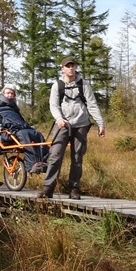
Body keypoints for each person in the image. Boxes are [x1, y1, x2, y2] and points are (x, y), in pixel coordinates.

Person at [34, 56, 106, 200]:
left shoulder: (84, 84)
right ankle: (48, 188)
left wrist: (100, 123)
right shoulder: (57, 85)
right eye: (68, 66)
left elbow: (92, 104)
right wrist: (59, 119)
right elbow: (53, 105)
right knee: (55, 155)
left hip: (81, 124)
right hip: (63, 124)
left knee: (77, 157)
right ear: (63, 69)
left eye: (73, 66)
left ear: (75, 68)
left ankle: (74, 189)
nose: (71, 68)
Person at [0, 84, 48, 173]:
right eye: (8, 93)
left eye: (12, 93)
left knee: (37, 134)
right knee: (24, 135)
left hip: (19, 127)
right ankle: (31, 165)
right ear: (3, 93)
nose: (10, 95)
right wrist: (2, 121)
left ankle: (43, 161)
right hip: (6, 131)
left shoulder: (14, 106)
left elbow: (20, 119)